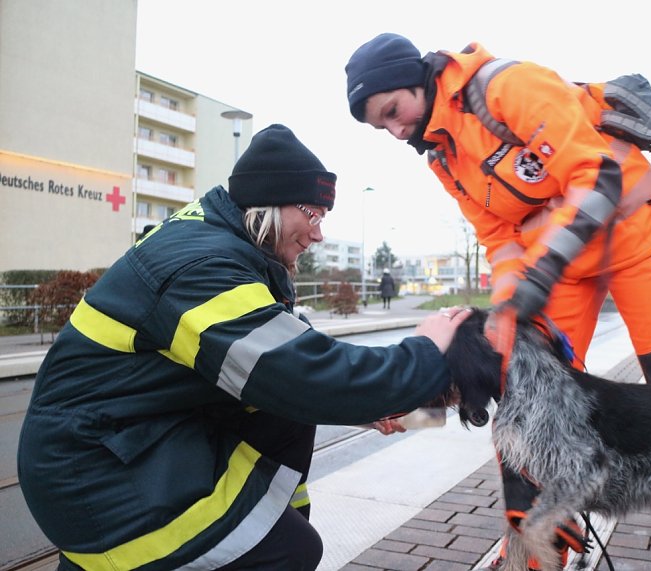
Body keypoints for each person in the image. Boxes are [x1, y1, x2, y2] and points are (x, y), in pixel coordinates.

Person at [17, 123, 471, 571]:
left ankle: (273, 519)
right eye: (312, 213)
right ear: (269, 204)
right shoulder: (201, 265)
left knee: (286, 497)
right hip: (93, 470)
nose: (318, 234)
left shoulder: (230, 249)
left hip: (138, 440)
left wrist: (373, 407)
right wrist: (424, 352)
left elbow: (281, 380)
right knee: (291, 552)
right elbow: (294, 371)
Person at [345, 34, 651, 568]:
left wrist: (540, 274)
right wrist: (505, 311)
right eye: (380, 126)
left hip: (636, 235)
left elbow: (598, 176)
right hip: (563, 262)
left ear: (416, 81)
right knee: (521, 394)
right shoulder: (443, 158)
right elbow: (498, 240)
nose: (395, 129)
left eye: (393, 111)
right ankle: (534, 549)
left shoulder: (506, 87)